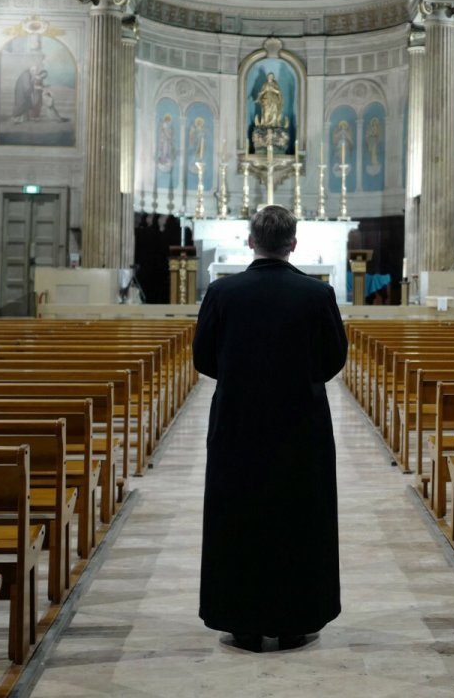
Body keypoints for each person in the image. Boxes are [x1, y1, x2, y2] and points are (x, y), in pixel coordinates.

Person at [193, 205, 347, 651]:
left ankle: (240, 620)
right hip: (302, 422)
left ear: (250, 242)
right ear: (293, 244)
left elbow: (203, 358)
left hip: (238, 421)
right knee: (299, 513)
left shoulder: (223, 293)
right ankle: (297, 619)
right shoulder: (317, 295)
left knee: (237, 514)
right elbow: (334, 358)